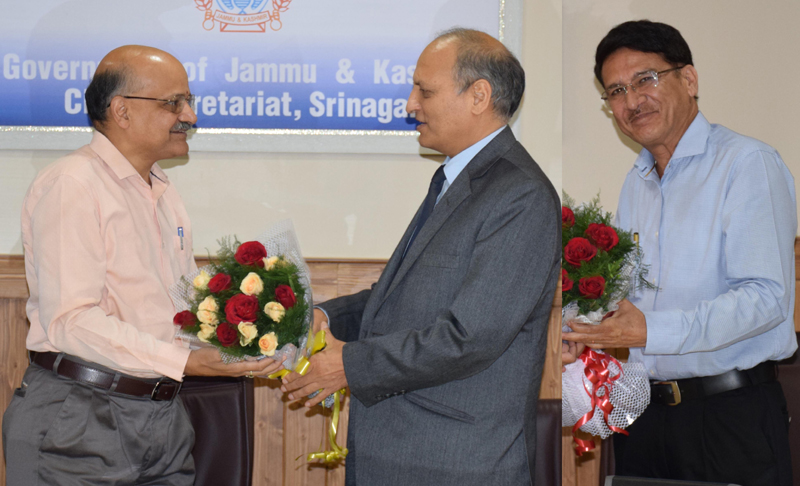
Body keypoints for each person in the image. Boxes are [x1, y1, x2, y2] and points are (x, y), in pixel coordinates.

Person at [281, 28, 560, 485]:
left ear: (479, 96)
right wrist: (323, 317)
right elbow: (398, 299)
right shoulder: (456, 179)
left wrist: (349, 364)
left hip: (458, 463)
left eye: (425, 91)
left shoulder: (519, 195)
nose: (410, 104)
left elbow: (471, 336)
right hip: (405, 455)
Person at [2, 45, 281, 485]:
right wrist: (187, 361)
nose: (190, 116)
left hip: (164, 417)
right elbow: (71, 321)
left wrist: (252, 338)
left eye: (189, 101)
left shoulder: (163, 191)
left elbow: (179, 313)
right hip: (79, 418)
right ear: (122, 111)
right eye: (174, 103)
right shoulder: (72, 184)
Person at [563, 20, 796, 486]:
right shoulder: (637, 182)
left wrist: (650, 330)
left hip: (729, 417)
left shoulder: (746, 164)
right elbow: (629, 298)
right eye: (616, 91)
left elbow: (767, 298)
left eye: (645, 80)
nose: (632, 101)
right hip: (644, 417)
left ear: (688, 79)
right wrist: (586, 332)